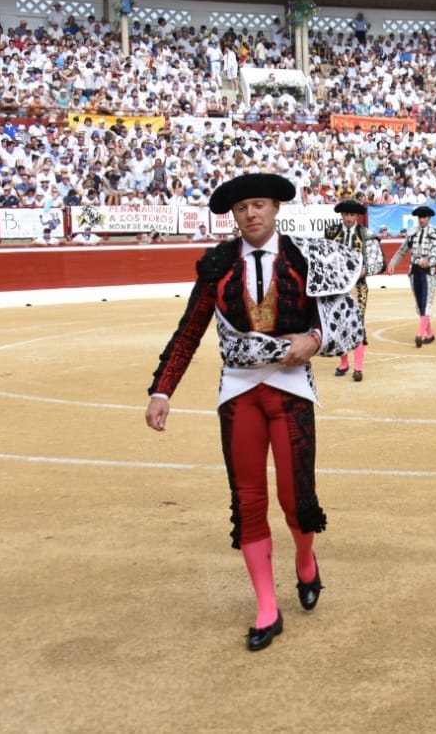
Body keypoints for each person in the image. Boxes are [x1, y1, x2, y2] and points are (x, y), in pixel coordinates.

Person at [144, 172, 365, 653]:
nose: (252, 214)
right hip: (239, 391)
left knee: (295, 496)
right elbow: (189, 332)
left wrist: (315, 339)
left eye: (259, 205)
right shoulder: (218, 266)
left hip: (290, 388)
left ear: (276, 208)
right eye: (242, 208)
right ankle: (267, 607)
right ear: (234, 215)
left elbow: (348, 321)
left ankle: (306, 561)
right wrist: (163, 391)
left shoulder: (309, 257)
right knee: (247, 500)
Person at [327, 198, 378, 379]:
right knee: (340, 325)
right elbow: (324, 258)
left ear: (356, 216)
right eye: (346, 214)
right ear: (342, 215)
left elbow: (377, 260)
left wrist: (366, 270)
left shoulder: (366, 234)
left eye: (351, 214)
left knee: (357, 324)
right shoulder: (331, 233)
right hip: (338, 288)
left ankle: (358, 367)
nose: (348, 217)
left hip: (358, 287)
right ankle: (344, 362)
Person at [388, 205, 436, 347]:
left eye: (424, 217)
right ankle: (430, 334)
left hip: (429, 271)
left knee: (426, 302)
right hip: (414, 270)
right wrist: (393, 263)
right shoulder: (412, 233)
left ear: (429, 218)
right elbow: (402, 251)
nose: (421, 220)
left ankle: (420, 335)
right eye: (420, 217)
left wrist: (430, 261)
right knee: (419, 304)